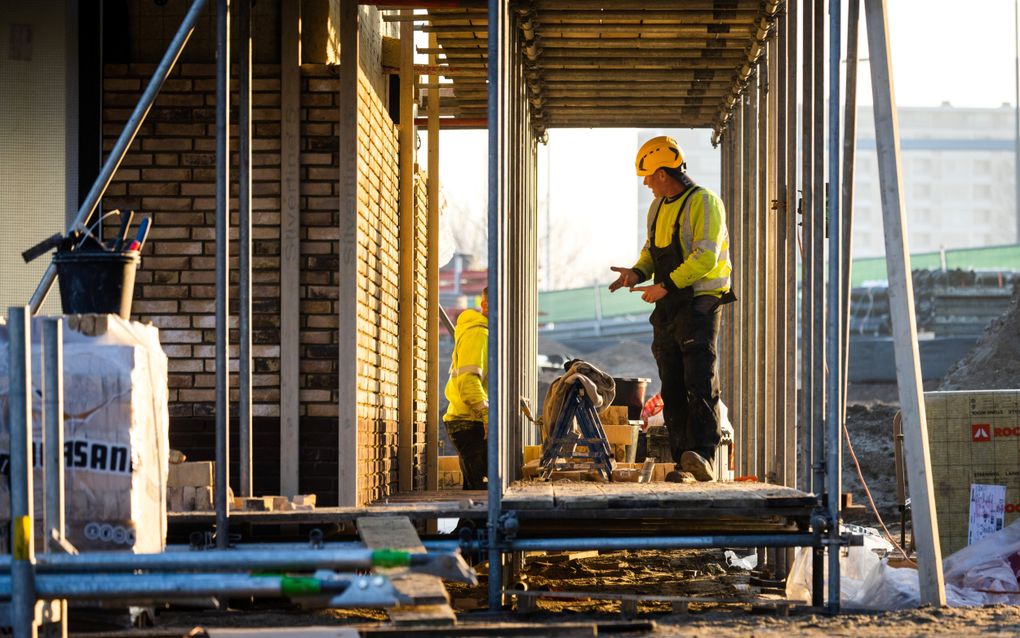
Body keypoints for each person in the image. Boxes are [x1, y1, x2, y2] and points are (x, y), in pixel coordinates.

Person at [608, 136, 735, 482]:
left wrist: (665, 285)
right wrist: (636, 273)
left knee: (699, 378)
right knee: (672, 384)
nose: (646, 183)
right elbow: (652, 252)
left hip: (699, 302)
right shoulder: (658, 207)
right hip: (668, 304)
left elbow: (705, 257)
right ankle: (684, 462)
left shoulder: (705, 203)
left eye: (648, 176)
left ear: (664, 173)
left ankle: (704, 456)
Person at [443, 287, 489, 490]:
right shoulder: (479, 333)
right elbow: (468, 382)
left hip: (468, 422)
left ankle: (468, 523)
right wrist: (486, 415)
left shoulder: (480, 332)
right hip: (470, 422)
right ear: (485, 305)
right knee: (479, 494)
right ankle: (468, 523)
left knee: (475, 493)